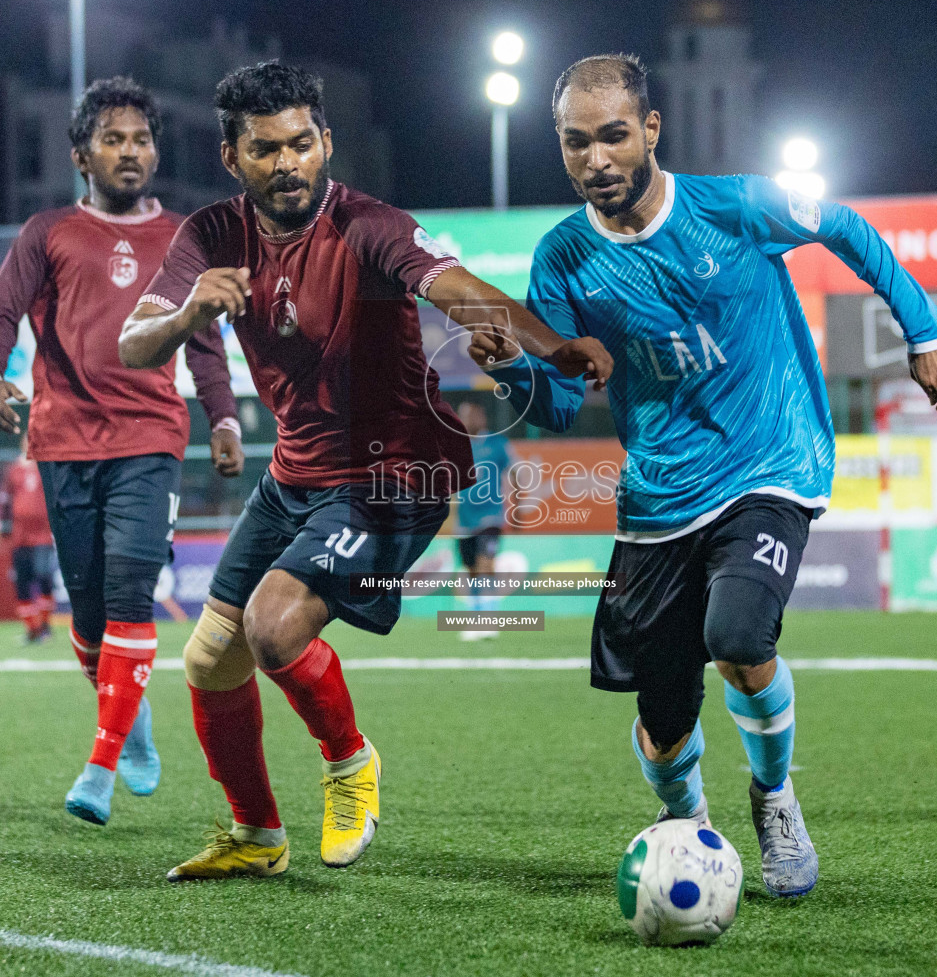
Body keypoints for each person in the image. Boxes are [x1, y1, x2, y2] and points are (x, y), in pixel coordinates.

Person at [470, 54, 937, 898]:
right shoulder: (561, 260)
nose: (596, 160)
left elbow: (844, 226)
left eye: (615, 136)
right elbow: (555, 405)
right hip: (659, 498)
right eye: (576, 143)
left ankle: (773, 795)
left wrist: (924, 332)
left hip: (772, 460)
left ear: (652, 130)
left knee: (739, 640)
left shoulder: (732, 206)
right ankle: (686, 825)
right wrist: (514, 367)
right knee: (663, 725)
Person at [118, 61, 611, 879]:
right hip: (295, 477)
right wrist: (186, 314)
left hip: (394, 473)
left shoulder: (367, 224)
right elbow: (133, 349)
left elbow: (464, 292)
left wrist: (556, 347)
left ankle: (349, 764)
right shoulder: (207, 237)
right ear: (231, 157)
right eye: (267, 149)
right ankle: (256, 835)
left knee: (272, 628)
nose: (289, 164)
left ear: (327, 142)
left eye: (303, 144)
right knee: (208, 661)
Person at [0, 76, 243, 827]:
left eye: (142, 139)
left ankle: (99, 766)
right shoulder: (47, 232)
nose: (131, 151)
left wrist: (221, 418)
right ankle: (131, 718)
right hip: (62, 442)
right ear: (81, 156)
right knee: (88, 617)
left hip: (150, 439)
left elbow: (206, 340)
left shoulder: (185, 238)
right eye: (114, 139)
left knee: (128, 593)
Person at [453, 400, 515, 641]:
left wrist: (517, 508)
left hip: (490, 517)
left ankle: (489, 619)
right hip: (464, 520)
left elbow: (516, 472)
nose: (464, 421)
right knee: (470, 569)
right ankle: (476, 619)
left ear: (481, 418)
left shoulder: (497, 443)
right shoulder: (457, 445)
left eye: (469, 416)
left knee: (484, 564)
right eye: (461, 417)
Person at [0, 433, 57, 644]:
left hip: (44, 535)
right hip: (20, 536)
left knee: (44, 576)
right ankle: (32, 630)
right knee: (22, 581)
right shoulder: (14, 470)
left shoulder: (47, 468)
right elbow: (2, 500)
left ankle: (44, 625)